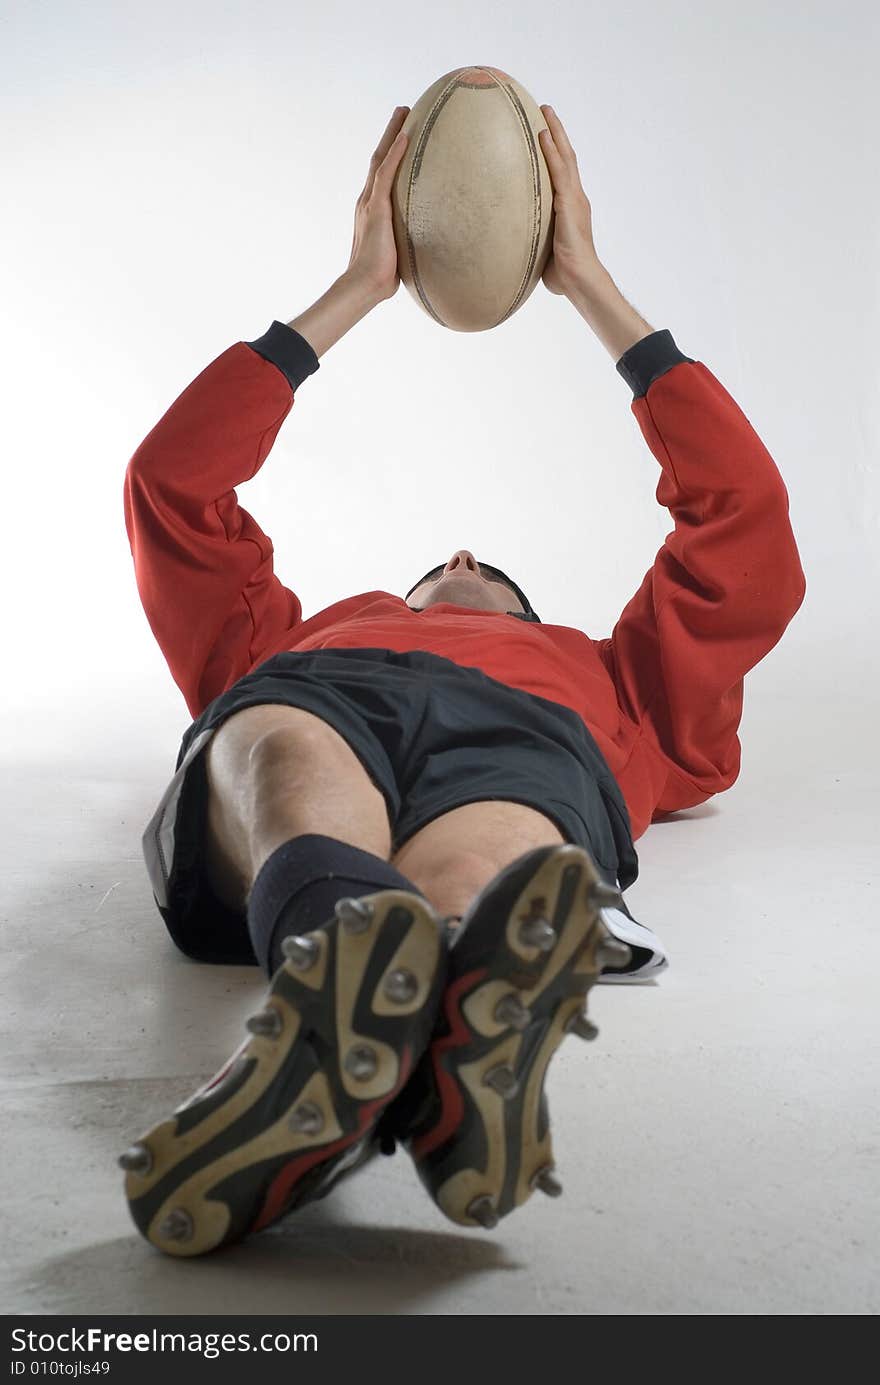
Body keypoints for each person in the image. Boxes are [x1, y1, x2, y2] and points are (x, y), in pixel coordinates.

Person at [119, 104, 806, 1258]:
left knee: (493, 860)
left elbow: (743, 525)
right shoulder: (291, 638)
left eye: (485, 565)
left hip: (537, 734)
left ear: (524, 607)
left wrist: (588, 283)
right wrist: (355, 290)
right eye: (444, 562)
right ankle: (421, 1049)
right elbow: (172, 486)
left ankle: (388, 1026)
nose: (461, 555)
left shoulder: (612, 676)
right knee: (284, 747)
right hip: (329, 697)